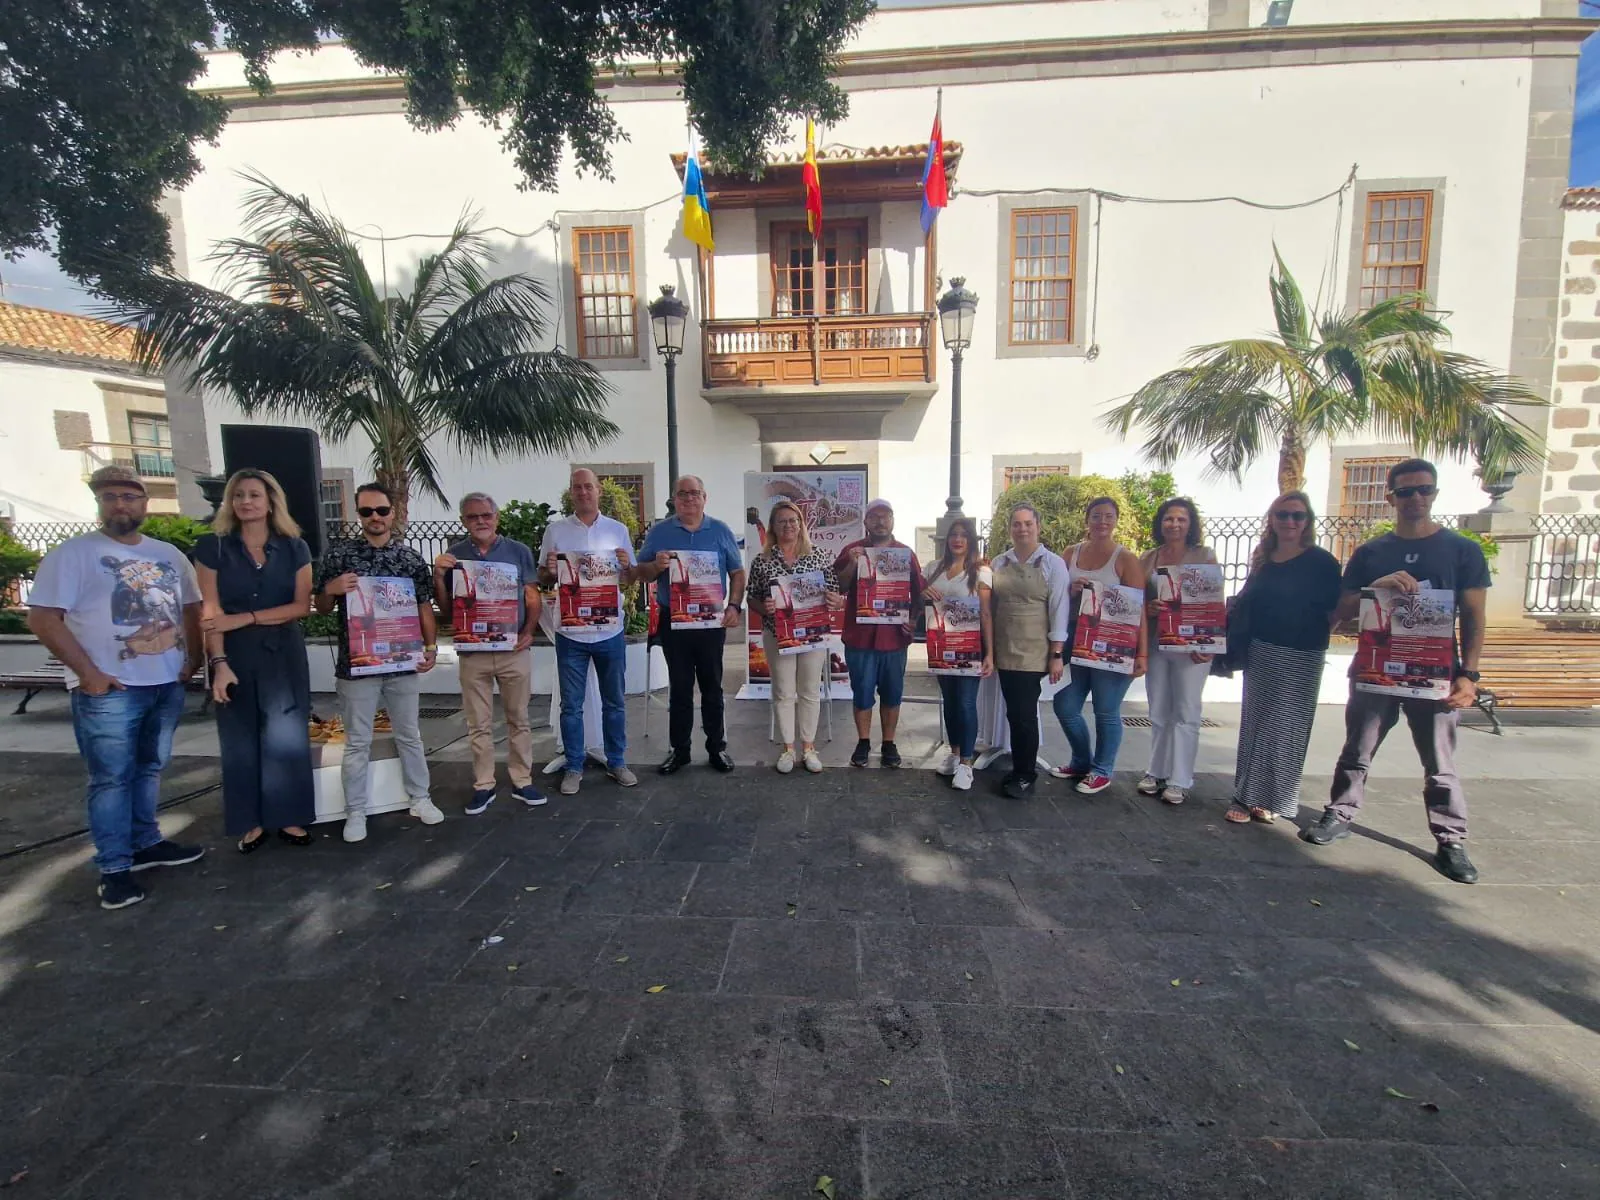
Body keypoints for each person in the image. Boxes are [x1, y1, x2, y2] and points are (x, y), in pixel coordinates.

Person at [1301, 459, 1489, 885]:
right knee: (1357, 749)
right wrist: (1378, 586)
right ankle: (1340, 813)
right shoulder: (1371, 553)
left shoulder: (1462, 551)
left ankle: (1450, 838)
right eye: (1405, 491)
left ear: (1435, 494)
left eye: (1423, 489)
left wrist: (1470, 675)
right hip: (1376, 670)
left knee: (1439, 761)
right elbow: (1343, 612)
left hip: (1435, 672)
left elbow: (1475, 615)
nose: (1415, 498)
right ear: (1391, 498)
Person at [26, 465, 206, 909]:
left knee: (149, 769)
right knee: (110, 780)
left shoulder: (168, 555)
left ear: (145, 502)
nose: (121, 504)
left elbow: (191, 608)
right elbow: (43, 618)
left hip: (164, 682)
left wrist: (193, 659)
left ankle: (145, 844)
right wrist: (88, 674)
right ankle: (114, 869)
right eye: (110, 497)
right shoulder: (73, 555)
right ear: (99, 503)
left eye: (129, 496)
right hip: (110, 691)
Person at [194, 469, 316, 853]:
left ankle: (289, 816)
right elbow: (210, 612)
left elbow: (301, 606)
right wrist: (218, 662)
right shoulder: (212, 548)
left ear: (270, 502)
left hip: (283, 652)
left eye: (255, 495)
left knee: (287, 738)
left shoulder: (295, 547)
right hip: (234, 654)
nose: (246, 502)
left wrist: (245, 617)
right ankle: (250, 821)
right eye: (239, 495)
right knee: (240, 741)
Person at [314, 482, 442, 842]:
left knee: (410, 736)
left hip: (401, 662)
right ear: (359, 515)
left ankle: (420, 797)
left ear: (393, 513)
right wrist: (330, 589)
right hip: (357, 665)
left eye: (381, 511)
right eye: (367, 511)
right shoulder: (339, 556)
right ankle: (355, 811)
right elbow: (320, 607)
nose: (375, 517)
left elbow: (422, 607)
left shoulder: (410, 559)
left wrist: (430, 647)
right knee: (357, 741)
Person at [1226, 490, 1341, 828]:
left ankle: (1271, 797)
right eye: (1283, 514)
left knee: (1287, 727)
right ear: (1272, 520)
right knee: (1256, 723)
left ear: (1307, 521)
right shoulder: (1263, 558)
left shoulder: (1322, 562)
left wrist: (1311, 634)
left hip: (1304, 654)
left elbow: (1336, 611)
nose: (1290, 521)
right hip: (1262, 648)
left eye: (1297, 516)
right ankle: (1244, 796)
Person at [432, 491, 545, 815]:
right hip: (473, 653)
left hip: (512, 649)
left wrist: (528, 634)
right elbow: (446, 606)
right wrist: (439, 575)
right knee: (477, 723)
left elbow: (532, 596)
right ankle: (484, 785)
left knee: (519, 718)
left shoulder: (518, 552)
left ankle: (522, 780)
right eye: (472, 516)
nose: (480, 521)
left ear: (496, 518)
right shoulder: (454, 556)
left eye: (486, 515)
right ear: (463, 521)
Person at [634, 475, 745, 775]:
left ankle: (716, 749)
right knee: (680, 687)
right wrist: (654, 567)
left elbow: (737, 572)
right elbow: (638, 573)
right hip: (675, 620)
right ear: (674, 500)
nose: (689, 499)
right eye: (682, 494)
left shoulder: (720, 531)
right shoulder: (659, 533)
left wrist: (734, 605)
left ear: (704, 498)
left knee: (712, 686)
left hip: (710, 621)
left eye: (694, 493)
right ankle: (680, 750)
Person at [538, 467, 639, 795]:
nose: (583, 492)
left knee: (615, 702)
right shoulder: (555, 531)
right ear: (571, 492)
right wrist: (549, 572)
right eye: (577, 487)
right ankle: (574, 766)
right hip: (571, 632)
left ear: (598, 491)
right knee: (572, 706)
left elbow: (628, 579)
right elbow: (543, 578)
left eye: (588, 487)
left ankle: (617, 761)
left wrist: (626, 566)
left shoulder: (618, 529)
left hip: (609, 630)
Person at [1051, 497, 1146, 794]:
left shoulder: (1125, 558)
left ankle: (1102, 770)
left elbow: (1138, 608)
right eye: (1096, 516)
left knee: (1106, 711)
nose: (1102, 521)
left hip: (1112, 647)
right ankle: (1081, 761)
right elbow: (1055, 595)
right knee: (1065, 706)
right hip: (1075, 644)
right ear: (1087, 520)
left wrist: (1142, 653)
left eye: (1108, 516)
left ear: (1116, 520)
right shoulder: (1070, 553)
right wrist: (1071, 588)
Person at [746, 499, 845, 774]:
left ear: (801, 524)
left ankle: (809, 747)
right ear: (774, 527)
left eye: (794, 520)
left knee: (810, 690)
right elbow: (751, 596)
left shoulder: (819, 555)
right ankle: (788, 749)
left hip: (812, 634)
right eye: (782, 521)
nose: (789, 525)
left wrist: (835, 600)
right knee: (783, 691)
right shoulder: (762, 561)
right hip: (778, 634)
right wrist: (762, 605)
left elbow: (835, 595)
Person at [834, 498, 926, 768]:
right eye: (874, 516)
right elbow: (839, 586)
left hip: (894, 638)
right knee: (861, 693)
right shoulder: (852, 550)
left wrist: (912, 620)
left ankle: (889, 742)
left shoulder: (905, 553)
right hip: (860, 637)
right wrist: (852, 565)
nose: (880, 521)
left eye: (885, 516)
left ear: (893, 520)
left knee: (892, 693)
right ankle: (863, 742)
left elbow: (918, 594)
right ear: (866, 522)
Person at [988, 504, 1072, 799]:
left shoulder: (1053, 564)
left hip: (1034, 648)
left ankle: (1025, 773)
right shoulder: (1000, 562)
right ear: (1010, 528)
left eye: (1027, 524)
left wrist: (1057, 653)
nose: (1022, 529)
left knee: (1024, 713)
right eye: (1016, 524)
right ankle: (1018, 764)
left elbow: (1060, 608)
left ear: (1038, 526)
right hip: (1004, 645)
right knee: (1014, 711)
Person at [1138, 498, 1217, 806]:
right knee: (1158, 709)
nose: (1174, 524)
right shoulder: (1148, 558)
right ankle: (1155, 771)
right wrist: (1150, 607)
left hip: (1192, 647)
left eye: (1181, 519)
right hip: (1159, 641)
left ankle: (1180, 779)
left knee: (1186, 711)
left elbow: (1212, 602)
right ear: (1161, 523)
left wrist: (1207, 644)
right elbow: (1137, 600)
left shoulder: (1204, 556)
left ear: (1190, 523)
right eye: (1169, 519)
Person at [924, 516, 993, 791]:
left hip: (969, 648)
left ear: (971, 540)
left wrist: (990, 653)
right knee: (950, 702)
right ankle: (954, 753)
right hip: (941, 648)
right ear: (946, 540)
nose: (958, 539)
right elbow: (923, 604)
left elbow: (986, 613)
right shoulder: (933, 569)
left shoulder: (981, 572)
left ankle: (966, 764)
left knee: (966, 702)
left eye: (964, 534)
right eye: (954, 534)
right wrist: (923, 594)